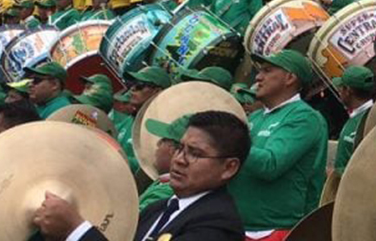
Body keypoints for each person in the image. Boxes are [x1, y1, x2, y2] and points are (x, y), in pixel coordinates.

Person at [34, 110, 248, 241]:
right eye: (180, 148)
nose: (180, 159)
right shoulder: (159, 208)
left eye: (195, 153)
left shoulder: (219, 226)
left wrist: (76, 230)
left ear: (229, 167)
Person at [231, 50, 327, 235]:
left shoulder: (305, 117)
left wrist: (225, 140)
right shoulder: (257, 117)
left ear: (290, 78)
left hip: (275, 231)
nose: (258, 77)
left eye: (267, 70)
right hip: (239, 227)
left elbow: (270, 165)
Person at [332, 65, 376, 174]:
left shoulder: (356, 125)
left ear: (348, 90)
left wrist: (333, 174)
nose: (339, 91)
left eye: (341, 87)